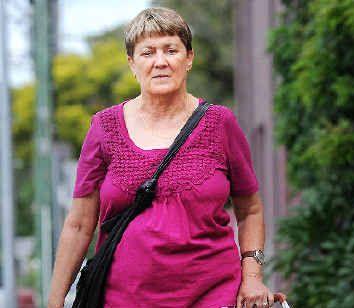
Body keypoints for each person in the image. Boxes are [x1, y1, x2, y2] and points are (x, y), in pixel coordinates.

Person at [47, 7, 274, 308]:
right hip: (122, 299)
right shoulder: (104, 128)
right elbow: (78, 224)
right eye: (147, 53)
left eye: (171, 50)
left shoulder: (220, 124)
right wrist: (54, 300)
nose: (160, 62)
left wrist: (253, 276)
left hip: (213, 294)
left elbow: (250, 210)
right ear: (132, 63)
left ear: (189, 58)